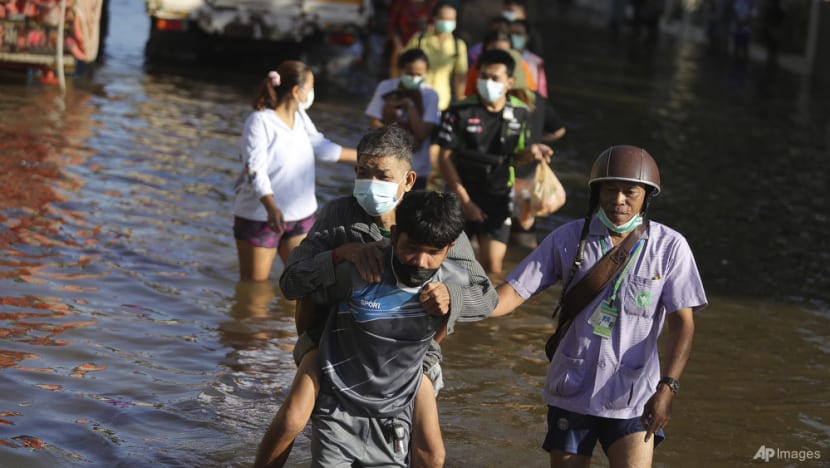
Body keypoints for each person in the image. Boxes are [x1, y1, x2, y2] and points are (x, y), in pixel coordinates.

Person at [255, 126, 496, 468]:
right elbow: (292, 281)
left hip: (412, 349)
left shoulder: (431, 221)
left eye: (382, 175)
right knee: (294, 417)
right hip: (332, 337)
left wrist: (452, 296)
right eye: (362, 172)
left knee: (429, 451)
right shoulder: (340, 215)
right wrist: (341, 254)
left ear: (409, 180)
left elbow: (486, 297)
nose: (370, 183)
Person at [492, 146, 707, 467]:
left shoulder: (670, 247)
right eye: (610, 189)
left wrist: (668, 387)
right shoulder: (568, 238)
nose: (619, 199)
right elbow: (512, 293)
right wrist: (457, 302)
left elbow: (682, 324)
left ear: (646, 196)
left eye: (630, 191)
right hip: (571, 389)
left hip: (634, 398)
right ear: (597, 192)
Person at [306, 190, 467, 466]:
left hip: (395, 414)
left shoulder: (451, 284)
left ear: (449, 248)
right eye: (412, 247)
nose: (420, 261)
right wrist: (308, 345)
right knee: (290, 419)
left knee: (433, 455)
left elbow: (449, 322)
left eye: (433, 253)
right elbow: (307, 294)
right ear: (394, 236)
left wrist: (427, 354)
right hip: (338, 407)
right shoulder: (361, 271)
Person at [232, 61, 357, 282]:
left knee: (304, 284)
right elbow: (254, 169)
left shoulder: (300, 118)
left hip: (301, 216)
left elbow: (322, 148)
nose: (312, 93)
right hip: (262, 216)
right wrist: (271, 208)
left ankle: (284, 319)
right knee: (255, 290)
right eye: (310, 87)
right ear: (296, 91)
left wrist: (366, 155)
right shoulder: (259, 121)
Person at [436, 48, 553, 274]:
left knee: (492, 268)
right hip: (460, 193)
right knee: (444, 263)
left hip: (498, 196)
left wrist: (534, 151)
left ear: (509, 82)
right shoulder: (459, 110)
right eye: (483, 76)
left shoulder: (520, 113)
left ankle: (487, 308)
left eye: (494, 78)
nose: (488, 82)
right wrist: (466, 202)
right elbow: (444, 159)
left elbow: (518, 157)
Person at [365, 48, 441, 190]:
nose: (413, 78)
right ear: (401, 70)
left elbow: (423, 133)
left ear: (426, 72)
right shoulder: (386, 87)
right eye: (409, 73)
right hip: (385, 164)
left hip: (417, 168)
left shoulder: (430, 95)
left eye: (419, 74)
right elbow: (374, 121)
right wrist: (401, 142)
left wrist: (409, 105)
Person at [403, 1, 468, 112]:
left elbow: (460, 76)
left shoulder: (458, 46)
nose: (447, 22)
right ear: (434, 18)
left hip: (442, 102)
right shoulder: (419, 40)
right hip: (414, 100)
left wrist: (460, 102)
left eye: (451, 19)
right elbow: (403, 65)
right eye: (443, 18)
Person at [463, 28, 537, 100]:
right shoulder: (476, 68)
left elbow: (530, 90)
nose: (498, 57)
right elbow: (469, 94)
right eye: (494, 51)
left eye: (503, 52)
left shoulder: (521, 67)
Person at [386, 0, 437, 78]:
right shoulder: (400, 3)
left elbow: (433, 24)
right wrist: (398, 45)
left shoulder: (431, 4)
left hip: (423, 47)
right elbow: (391, 26)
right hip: (402, 46)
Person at [509, 19, 548, 98]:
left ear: (527, 37)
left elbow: (541, 90)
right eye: (511, 33)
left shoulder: (536, 62)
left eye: (518, 33)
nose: (513, 37)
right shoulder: (502, 56)